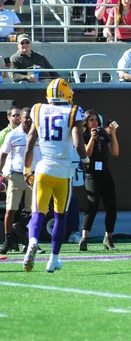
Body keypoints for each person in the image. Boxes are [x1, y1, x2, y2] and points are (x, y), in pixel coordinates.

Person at [23, 79, 89, 273]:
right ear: (67, 94)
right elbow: (78, 145)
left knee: (38, 212)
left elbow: (29, 144)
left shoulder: (38, 109)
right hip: (63, 172)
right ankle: (53, 259)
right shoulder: (73, 110)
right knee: (61, 216)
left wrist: (27, 171)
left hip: (43, 169)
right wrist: (86, 162)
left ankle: (33, 241)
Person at [0, 107, 41, 254]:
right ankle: (8, 240)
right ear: (20, 119)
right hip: (16, 175)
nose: (28, 120)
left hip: (34, 175)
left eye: (31, 117)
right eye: (25, 117)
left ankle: (29, 238)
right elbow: (3, 154)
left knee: (35, 210)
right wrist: (1, 172)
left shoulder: (39, 133)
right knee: (11, 209)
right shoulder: (12, 135)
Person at [79, 110, 120, 251]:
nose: (94, 122)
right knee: (93, 206)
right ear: (86, 122)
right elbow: (87, 154)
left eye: (96, 119)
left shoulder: (103, 134)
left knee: (111, 207)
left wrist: (112, 133)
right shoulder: (82, 135)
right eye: (91, 120)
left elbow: (115, 152)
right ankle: (84, 238)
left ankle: (108, 237)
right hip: (91, 174)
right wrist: (91, 138)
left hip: (105, 173)